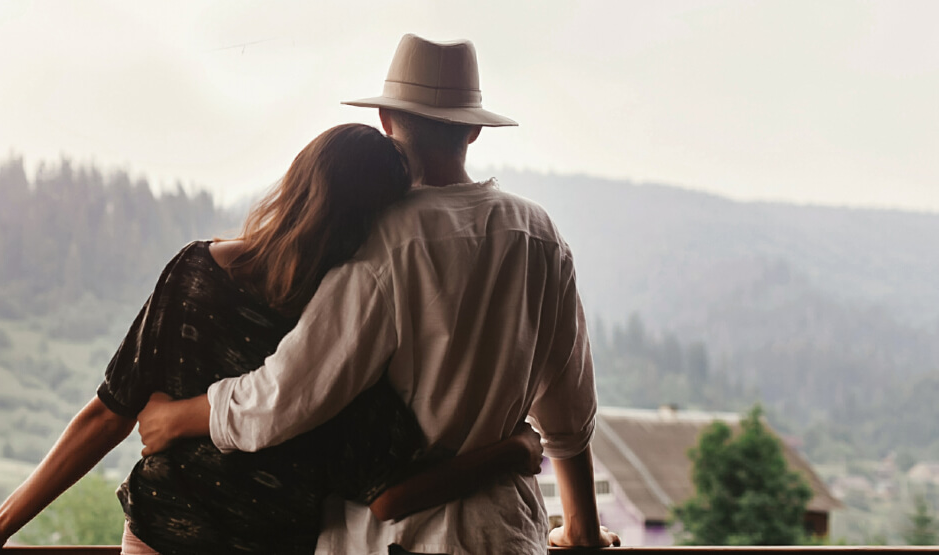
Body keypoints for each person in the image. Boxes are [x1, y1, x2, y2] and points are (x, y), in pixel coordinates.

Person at [0, 123, 544, 555]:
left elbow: (109, 412)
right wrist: (513, 452)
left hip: (157, 537)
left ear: (301, 181)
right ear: (380, 220)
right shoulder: (346, 330)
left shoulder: (199, 275)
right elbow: (390, 494)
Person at [137, 34, 621, 554]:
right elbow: (569, 416)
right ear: (475, 130)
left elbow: (286, 398)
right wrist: (582, 533)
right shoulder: (539, 235)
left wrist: (179, 416)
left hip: (388, 541)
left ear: (388, 124)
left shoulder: (379, 242)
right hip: (503, 537)